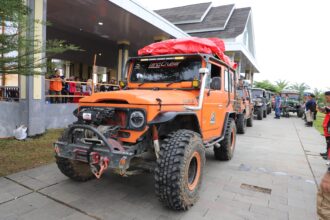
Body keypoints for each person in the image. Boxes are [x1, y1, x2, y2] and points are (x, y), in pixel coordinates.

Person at [319, 91, 330, 160]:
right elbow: (326, 112)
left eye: (327, 97)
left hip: (329, 125)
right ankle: (327, 152)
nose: (326, 99)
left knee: (329, 141)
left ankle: (328, 155)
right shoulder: (328, 104)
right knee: (327, 140)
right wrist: (321, 109)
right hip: (327, 125)